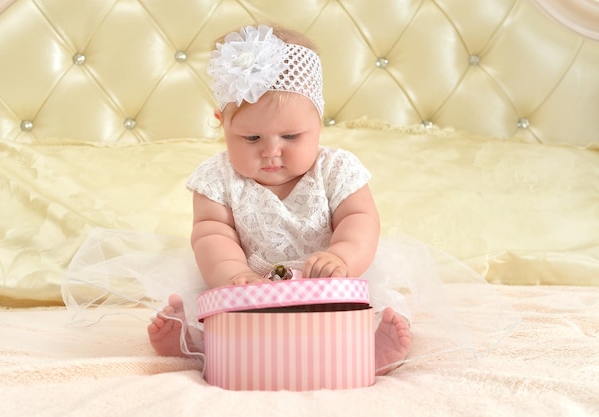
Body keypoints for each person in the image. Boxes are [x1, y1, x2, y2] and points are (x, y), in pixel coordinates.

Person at [147, 24, 411, 375]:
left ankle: (371, 351)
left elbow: (360, 220)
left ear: (318, 121)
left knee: (356, 311)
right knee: (222, 321)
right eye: (252, 137)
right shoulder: (217, 179)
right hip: (248, 291)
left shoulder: (336, 169)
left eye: (290, 135)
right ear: (221, 124)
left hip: (327, 286)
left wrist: (341, 257)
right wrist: (234, 274)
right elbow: (211, 233)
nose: (272, 152)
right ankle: (192, 345)